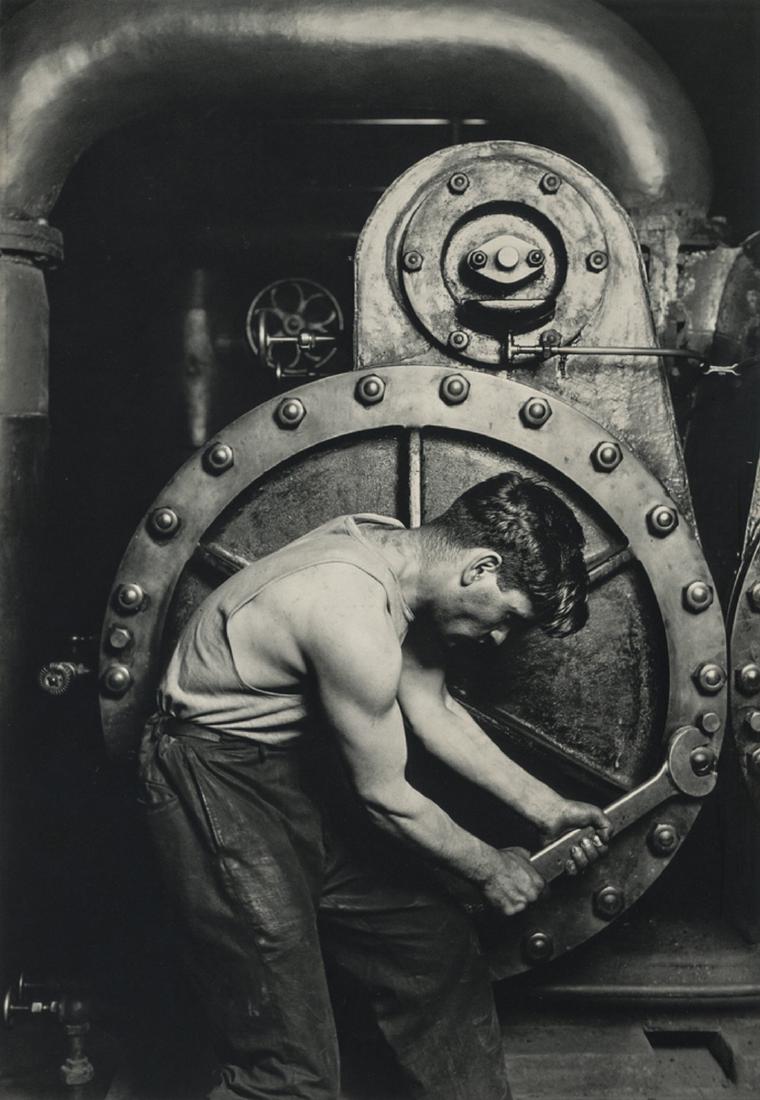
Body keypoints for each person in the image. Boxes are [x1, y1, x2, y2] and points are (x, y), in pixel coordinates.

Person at [139, 471, 612, 1100]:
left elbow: (433, 707)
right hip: (212, 782)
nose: (498, 639)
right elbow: (385, 798)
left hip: (288, 774)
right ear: (480, 568)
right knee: (291, 1069)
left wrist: (548, 809)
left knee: (432, 948)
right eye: (507, 618)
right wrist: (490, 867)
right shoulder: (348, 608)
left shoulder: (393, 553)